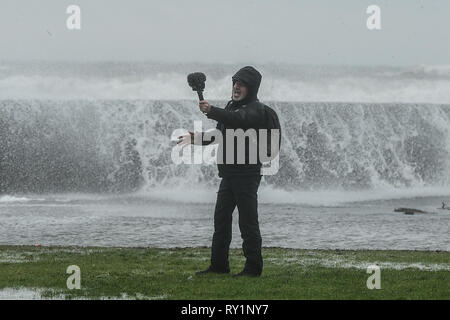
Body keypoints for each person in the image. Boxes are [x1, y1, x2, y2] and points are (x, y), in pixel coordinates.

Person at [178, 66, 267, 277]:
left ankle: (253, 268)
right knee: (221, 220)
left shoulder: (255, 109)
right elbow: (219, 134)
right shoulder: (231, 108)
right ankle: (219, 266)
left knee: (248, 223)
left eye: (242, 84)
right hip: (229, 175)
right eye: (235, 82)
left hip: (247, 175)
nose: (237, 86)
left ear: (251, 88)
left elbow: (239, 120)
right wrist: (196, 138)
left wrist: (212, 110)